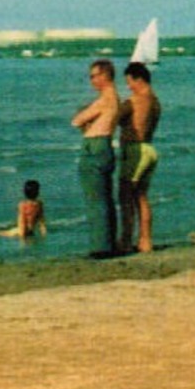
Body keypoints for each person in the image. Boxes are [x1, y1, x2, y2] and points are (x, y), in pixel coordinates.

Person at [71, 58, 120, 257]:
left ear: (104, 76)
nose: (91, 81)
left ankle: (100, 247)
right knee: (105, 198)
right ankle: (108, 243)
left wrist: (85, 120)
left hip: (95, 146)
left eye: (94, 76)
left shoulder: (106, 98)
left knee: (95, 199)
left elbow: (77, 121)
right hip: (103, 145)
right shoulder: (113, 98)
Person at [116, 61, 162, 253]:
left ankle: (126, 241)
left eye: (129, 82)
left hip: (135, 150)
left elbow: (115, 117)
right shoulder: (155, 101)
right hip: (149, 149)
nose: (128, 86)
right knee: (141, 197)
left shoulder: (135, 100)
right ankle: (146, 240)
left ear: (139, 79)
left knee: (126, 196)